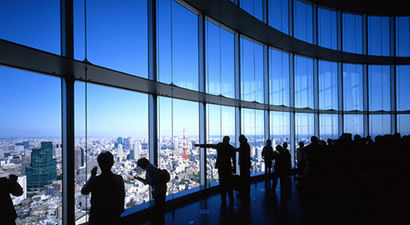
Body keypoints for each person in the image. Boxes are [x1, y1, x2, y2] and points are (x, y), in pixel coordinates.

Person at [81, 151, 125, 225]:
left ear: (99, 163)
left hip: (97, 216)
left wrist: (92, 176)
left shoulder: (95, 180)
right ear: (113, 163)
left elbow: (84, 191)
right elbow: (121, 196)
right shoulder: (119, 179)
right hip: (113, 216)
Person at [195, 136, 235, 205]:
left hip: (221, 167)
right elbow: (234, 159)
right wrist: (234, 168)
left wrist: (199, 145)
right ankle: (231, 199)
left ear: (223, 140)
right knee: (229, 184)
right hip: (228, 168)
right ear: (228, 140)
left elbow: (210, 145)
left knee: (222, 183)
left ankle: (223, 199)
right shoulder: (230, 148)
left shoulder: (220, 146)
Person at [136, 158, 167, 224]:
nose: (141, 168)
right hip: (162, 188)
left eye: (141, 166)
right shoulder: (152, 166)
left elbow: (152, 181)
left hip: (158, 190)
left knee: (158, 208)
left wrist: (141, 180)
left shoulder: (149, 169)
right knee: (160, 208)